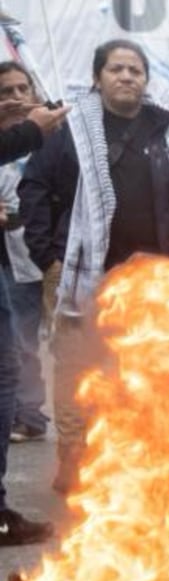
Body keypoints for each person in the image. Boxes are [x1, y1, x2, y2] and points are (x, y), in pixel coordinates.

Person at [20, 39, 169, 497]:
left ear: (145, 79)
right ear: (98, 78)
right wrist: (50, 258)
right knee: (80, 373)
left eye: (134, 70)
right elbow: (34, 190)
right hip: (83, 276)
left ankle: (139, 460)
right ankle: (76, 461)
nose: (126, 77)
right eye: (116, 69)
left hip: (152, 279)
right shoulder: (68, 132)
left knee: (146, 372)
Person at [0, 63, 65, 445]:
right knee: (19, 342)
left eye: (23, 89)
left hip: (48, 253)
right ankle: (27, 413)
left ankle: (35, 412)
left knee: (59, 340)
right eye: (6, 91)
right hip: (12, 258)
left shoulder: (52, 136)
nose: (16, 97)